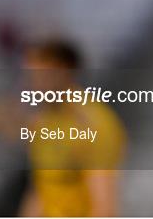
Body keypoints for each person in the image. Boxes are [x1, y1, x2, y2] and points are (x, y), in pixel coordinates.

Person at [19, 39, 126, 216]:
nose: (33, 84)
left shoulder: (95, 125)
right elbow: (41, 190)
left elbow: (104, 207)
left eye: (40, 74)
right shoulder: (42, 121)